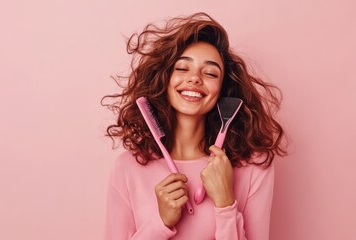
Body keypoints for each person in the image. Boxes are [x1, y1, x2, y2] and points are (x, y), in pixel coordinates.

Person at [102, 12, 286, 240]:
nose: (195, 78)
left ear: (223, 89)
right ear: (165, 79)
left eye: (210, 73)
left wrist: (226, 204)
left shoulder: (254, 166)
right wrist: (160, 223)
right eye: (182, 68)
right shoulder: (128, 168)